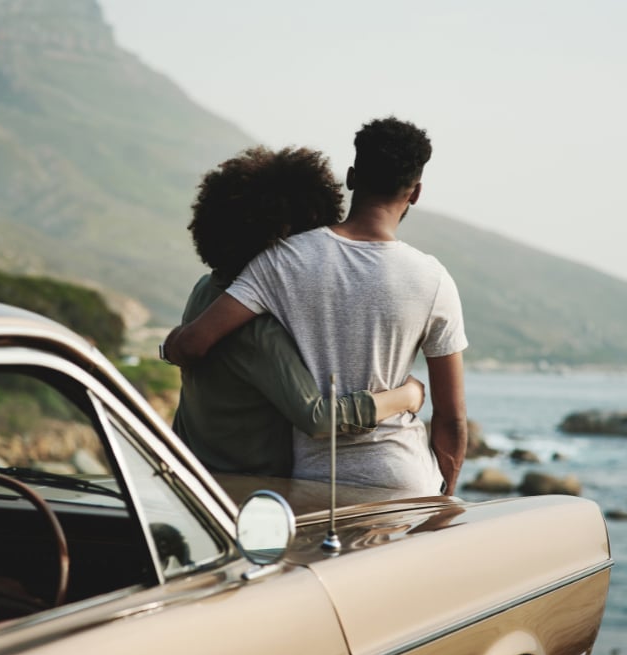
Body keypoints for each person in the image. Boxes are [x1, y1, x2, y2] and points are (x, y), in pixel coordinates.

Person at [163, 117, 468, 495]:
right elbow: (451, 419)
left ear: (352, 177)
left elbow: (192, 344)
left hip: (289, 485)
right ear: (416, 192)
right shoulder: (434, 278)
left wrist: (168, 346)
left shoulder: (264, 268)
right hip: (396, 483)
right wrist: (443, 492)